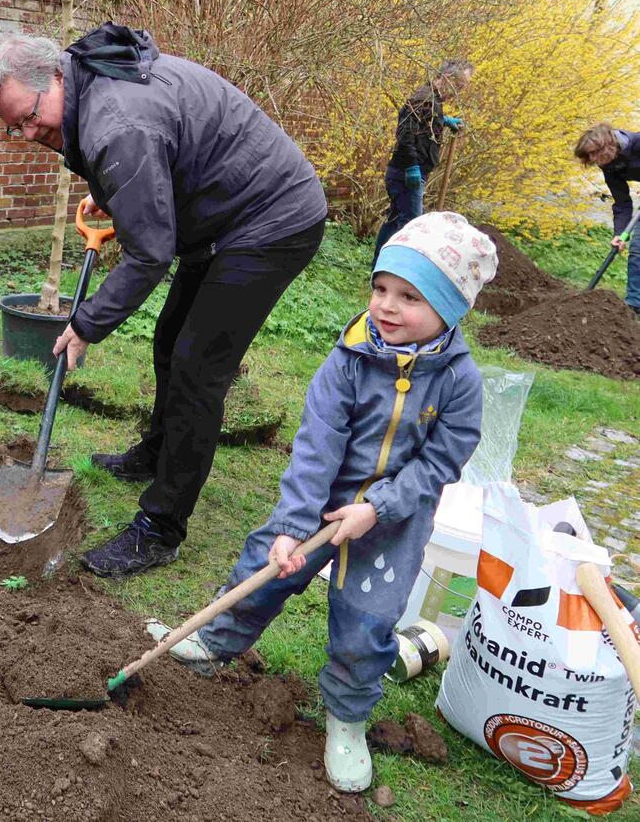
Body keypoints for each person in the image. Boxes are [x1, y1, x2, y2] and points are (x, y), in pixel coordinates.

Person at [146, 212, 497, 793]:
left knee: (368, 621)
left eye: (410, 296)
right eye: (381, 288)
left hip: (393, 520)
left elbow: (441, 462)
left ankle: (347, 718)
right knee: (267, 566)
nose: (387, 305)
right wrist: (291, 524)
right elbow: (316, 446)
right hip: (322, 499)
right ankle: (216, 641)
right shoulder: (350, 360)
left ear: (450, 307)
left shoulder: (459, 381)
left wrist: (379, 508)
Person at [0, 23, 328, 578]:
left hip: (270, 220)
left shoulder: (118, 124)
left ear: (53, 77)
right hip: (224, 214)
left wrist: (87, 323)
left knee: (197, 365)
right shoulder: (93, 86)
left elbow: (149, 253)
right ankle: (158, 453)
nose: (26, 133)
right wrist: (117, 189)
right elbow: (152, 156)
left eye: (28, 116)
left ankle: (161, 527)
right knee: (169, 338)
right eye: (14, 127)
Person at [373, 60, 474, 263]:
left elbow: (421, 120)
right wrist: (411, 166)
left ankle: (380, 263)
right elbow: (404, 132)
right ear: (447, 79)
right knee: (410, 226)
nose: (459, 92)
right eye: (460, 86)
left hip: (408, 171)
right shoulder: (424, 98)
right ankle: (392, 267)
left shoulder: (431, 99)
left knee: (395, 220)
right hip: (406, 173)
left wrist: (443, 120)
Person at [574, 123, 640, 317]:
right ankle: (635, 304)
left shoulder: (636, 144)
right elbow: (622, 203)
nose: (593, 160)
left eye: (594, 153)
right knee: (638, 250)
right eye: (590, 157)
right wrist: (619, 234)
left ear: (607, 145)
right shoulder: (610, 166)